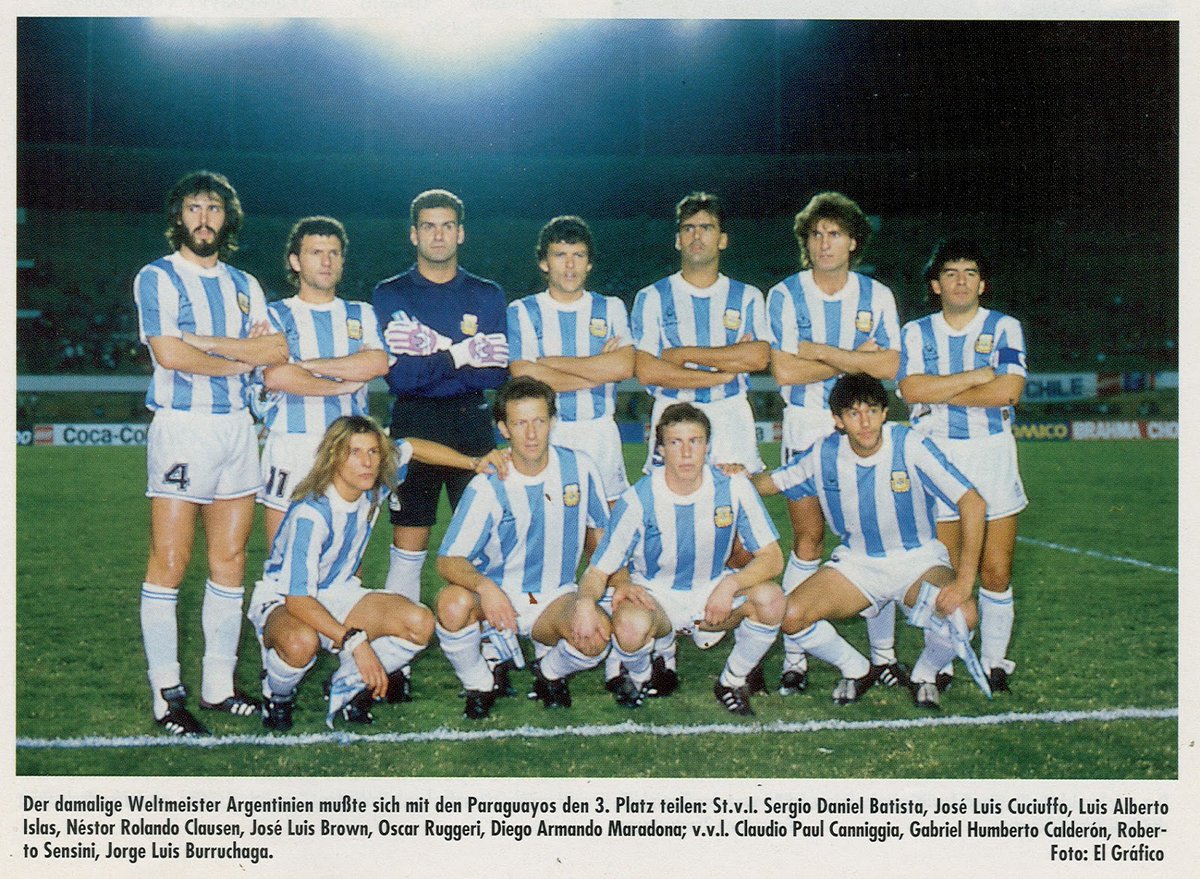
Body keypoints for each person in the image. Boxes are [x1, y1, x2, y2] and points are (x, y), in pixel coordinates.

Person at [134, 170, 288, 735]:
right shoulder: (157, 277)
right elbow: (171, 355)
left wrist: (210, 345)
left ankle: (219, 687)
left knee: (229, 562)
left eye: (215, 208)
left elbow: (275, 348)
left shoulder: (246, 283)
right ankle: (166, 693)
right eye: (194, 208)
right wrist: (241, 356)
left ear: (228, 219)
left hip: (238, 430)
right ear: (179, 216)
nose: (204, 218)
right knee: (170, 562)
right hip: (184, 427)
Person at [752, 374, 986, 710]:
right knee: (790, 615)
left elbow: (972, 502)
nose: (865, 423)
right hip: (857, 565)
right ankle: (858, 668)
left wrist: (964, 581)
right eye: (853, 414)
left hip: (917, 561)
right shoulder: (823, 453)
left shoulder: (909, 444)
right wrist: (724, 476)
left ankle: (925, 672)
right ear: (838, 420)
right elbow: (770, 483)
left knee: (963, 614)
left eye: (872, 411)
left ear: (885, 412)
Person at [371, 189, 510, 692]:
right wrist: (459, 353)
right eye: (428, 226)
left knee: (484, 545)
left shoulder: (487, 294)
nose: (438, 234)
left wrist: (431, 354)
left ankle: (495, 652)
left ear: (461, 232)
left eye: (447, 225)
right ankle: (396, 659)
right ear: (414, 234)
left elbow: (495, 370)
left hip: (472, 423)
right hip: (413, 423)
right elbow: (401, 381)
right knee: (409, 544)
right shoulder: (391, 293)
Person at [764, 191, 902, 696]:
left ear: (853, 242)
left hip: (863, 424)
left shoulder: (876, 296)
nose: (825, 244)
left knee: (871, 540)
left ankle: (883, 656)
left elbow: (889, 366)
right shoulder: (784, 295)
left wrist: (820, 352)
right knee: (808, 541)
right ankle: (795, 655)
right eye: (816, 235)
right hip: (805, 423)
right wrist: (852, 358)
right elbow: (783, 369)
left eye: (835, 234)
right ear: (806, 242)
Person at [580, 403, 785, 716]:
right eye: (676, 442)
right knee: (630, 628)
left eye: (695, 441)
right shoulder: (638, 498)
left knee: (771, 599)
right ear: (661, 449)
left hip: (712, 591)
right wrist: (584, 604)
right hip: (656, 598)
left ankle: (731, 681)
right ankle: (642, 672)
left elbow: (772, 558)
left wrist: (732, 584)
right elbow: (598, 570)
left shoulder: (734, 485)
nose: (687, 453)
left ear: (708, 446)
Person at [435, 377, 611, 719]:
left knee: (596, 635)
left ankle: (549, 673)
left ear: (553, 423)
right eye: (520, 423)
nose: (531, 434)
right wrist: (486, 588)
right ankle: (479, 683)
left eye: (539, 421)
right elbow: (447, 560)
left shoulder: (580, 467)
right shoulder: (487, 484)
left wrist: (604, 593)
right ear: (504, 429)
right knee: (452, 604)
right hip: (500, 598)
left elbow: (601, 539)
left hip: (555, 596)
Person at [897, 238, 1027, 692]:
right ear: (935, 284)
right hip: (937, 455)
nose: (960, 281)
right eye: (951, 273)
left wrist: (941, 390)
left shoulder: (1005, 327)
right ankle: (945, 661)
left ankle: (994, 662)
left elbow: (1008, 392)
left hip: (991, 452)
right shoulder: (916, 332)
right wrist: (973, 377)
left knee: (995, 569)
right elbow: (911, 390)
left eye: (970, 273)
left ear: (982, 283)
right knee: (948, 570)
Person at [248, 416, 433, 731]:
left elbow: (413, 447)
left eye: (374, 452)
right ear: (334, 457)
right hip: (284, 599)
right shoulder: (312, 513)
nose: (367, 462)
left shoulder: (371, 490)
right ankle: (277, 694)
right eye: (355, 452)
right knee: (300, 643)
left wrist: (475, 462)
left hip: (341, 593)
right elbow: (298, 599)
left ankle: (346, 685)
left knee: (420, 622)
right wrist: (355, 642)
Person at [256, 216, 389, 550]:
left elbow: (376, 362)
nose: (326, 261)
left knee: (346, 557)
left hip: (350, 448)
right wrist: (341, 382)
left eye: (334, 253)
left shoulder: (361, 313)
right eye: (316, 252)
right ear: (295, 261)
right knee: (282, 554)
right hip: (292, 444)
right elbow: (276, 375)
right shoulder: (273, 315)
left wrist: (307, 366)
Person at [631, 192, 769, 475]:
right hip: (672, 413)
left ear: (722, 240)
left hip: (729, 412)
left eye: (706, 228)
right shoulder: (652, 297)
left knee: (732, 507)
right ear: (678, 239)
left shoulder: (747, 296)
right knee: (672, 510)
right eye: (688, 228)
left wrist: (681, 356)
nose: (697, 235)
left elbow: (758, 358)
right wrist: (723, 372)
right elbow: (647, 371)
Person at [507, 215, 634, 506]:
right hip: (549, 433)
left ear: (589, 263)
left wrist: (550, 362)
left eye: (578, 256)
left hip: (600, 432)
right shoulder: (523, 311)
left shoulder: (610, 307)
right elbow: (525, 376)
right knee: (551, 532)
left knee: (603, 537)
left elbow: (624, 367)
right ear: (544, 262)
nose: (569, 265)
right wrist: (599, 369)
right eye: (560, 255)